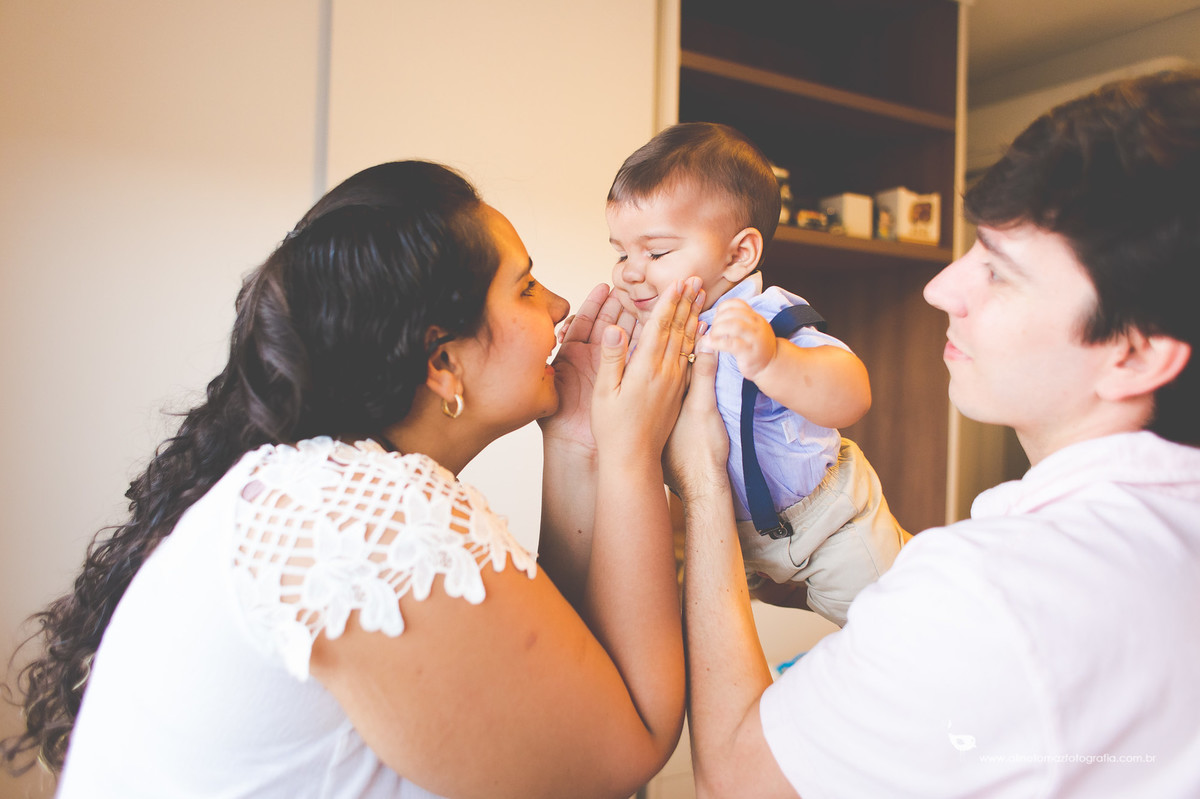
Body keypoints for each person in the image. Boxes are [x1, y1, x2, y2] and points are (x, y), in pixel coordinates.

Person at [1, 160, 703, 798]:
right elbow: (624, 748)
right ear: (441, 362)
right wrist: (632, 452)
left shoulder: (329, 487)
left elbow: (569, 690)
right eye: (523, 286)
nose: (557, 306)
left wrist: (583, 444)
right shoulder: (368, 520)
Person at [668, 69, 1200, 797]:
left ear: (1134, 352)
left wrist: (702, 486)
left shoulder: (986, 594)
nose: (941, 286)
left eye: (999, 269)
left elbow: (735, 777)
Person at [606, 122, 906, 625]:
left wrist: (773, 360)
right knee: (694, 635)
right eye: (620, 252)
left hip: (829, 525)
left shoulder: (764, 320)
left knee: (894, 628)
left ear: (739, 255)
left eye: (656, 253)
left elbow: (852, 393)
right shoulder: (651, 332)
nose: (629, 271)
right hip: (728, 535)